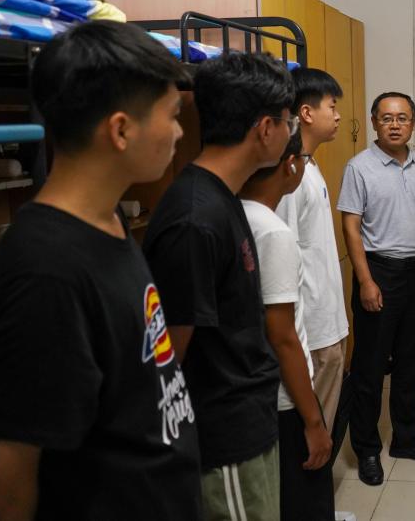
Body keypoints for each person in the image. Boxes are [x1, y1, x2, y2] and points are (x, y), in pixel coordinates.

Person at [0, 21, 201, 520]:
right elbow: (0, 497)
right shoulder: (45, 269)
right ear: (120, 130)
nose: (180, 132)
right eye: (172, 116)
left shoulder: (109, 220)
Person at [144, 51, 295, 521]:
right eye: (288, 121)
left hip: (248, 421)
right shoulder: (195, 218)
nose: (290, 133)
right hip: (223, 437)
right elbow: (169, 357)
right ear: (265, 129)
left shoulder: (223, 197)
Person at [338, 92, 415, 487]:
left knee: (411, 362)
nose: (395, 125)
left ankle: (406, 439)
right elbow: (351, 227)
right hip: (379, 272)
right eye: (387, 118)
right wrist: (366, 280)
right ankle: (366, 449)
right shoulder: (359, 167)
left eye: (402, 118)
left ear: (413, 123)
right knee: (369, 366)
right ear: (374, 122)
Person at [241, 134, 336, 521]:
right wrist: (313, 421)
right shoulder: (274, 231)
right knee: (306, 499)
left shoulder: (235, 214)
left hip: (255, 390)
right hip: (286, 399)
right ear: (291, 164)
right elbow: (282, 335)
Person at [275, 69, 349, 439]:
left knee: (325, 422)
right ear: (306, 113)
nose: (337, 116)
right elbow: (281, 259)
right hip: (312, 327)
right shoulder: (291, 177)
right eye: (331, 107)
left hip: (327, 319)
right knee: (311, 431)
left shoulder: (310, 167)